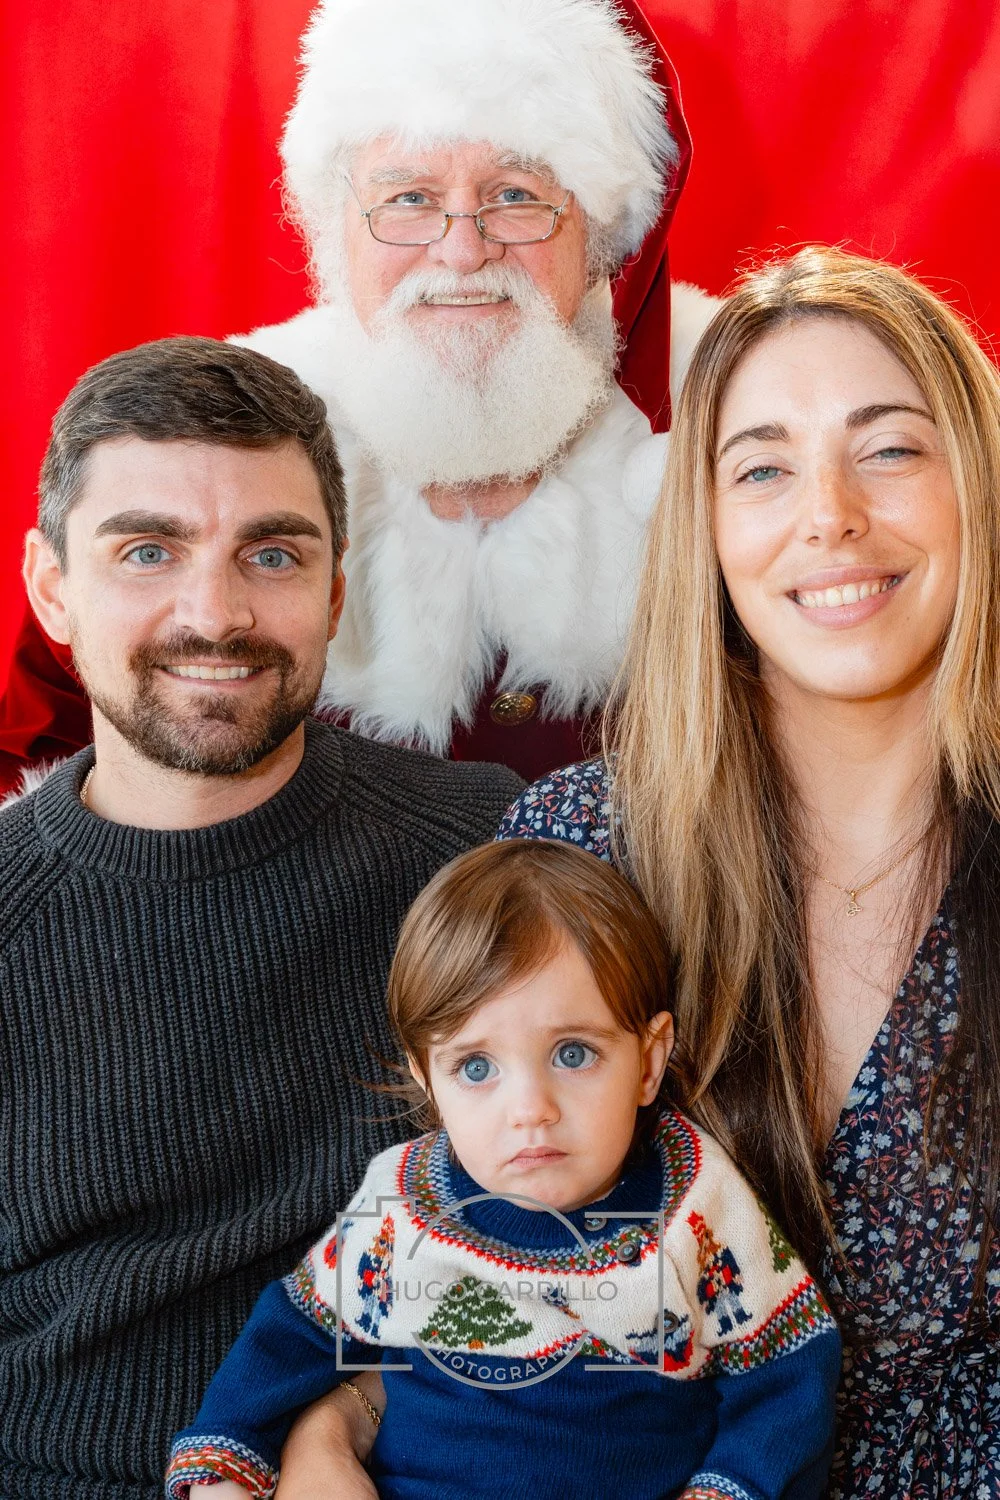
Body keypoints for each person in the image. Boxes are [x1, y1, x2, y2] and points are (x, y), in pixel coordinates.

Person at [499, 245, 1000, 1496]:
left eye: (888, 448)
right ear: (706, 531)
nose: (828, 513)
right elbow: (452, 1240)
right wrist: (324, 1422)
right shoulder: (575, 854)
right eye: (763, 467)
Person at [0, 335, 521, 1500]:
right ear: (52, 590)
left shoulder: (487, 855)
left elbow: (611, 1231)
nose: (215, 614)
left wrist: (345, 1420)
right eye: (148, 551)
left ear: (336, 590)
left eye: (271, 554)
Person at [0, 0, 718, 789]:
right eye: (408, 198)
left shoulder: (731, 430)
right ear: (335, 230)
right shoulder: (214, 443)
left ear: (603, 238)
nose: (463, 250)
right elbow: (50, 757)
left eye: (515, 194)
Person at [165, 839, 840, 1500]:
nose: (530, 1110)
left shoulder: (696, 1202)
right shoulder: (404, 1201)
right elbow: (299, 1330)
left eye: (573, 1054)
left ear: (650, 1059)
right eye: (477, 1068)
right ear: (428, 1081)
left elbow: (788, 1372)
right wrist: (223, 1465)